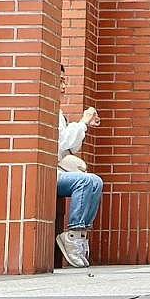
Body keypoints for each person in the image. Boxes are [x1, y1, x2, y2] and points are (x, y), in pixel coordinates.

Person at [56, 64, 104, 268]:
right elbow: (61, 142)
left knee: (95, 181)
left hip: (58, 170)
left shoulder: (58, 112)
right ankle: (73, 234)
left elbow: (70, 147)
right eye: (60, 79)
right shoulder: (45, 107)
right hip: (49, 173)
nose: (63, 85)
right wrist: (83, 122)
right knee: (85, 182)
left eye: (64, 80)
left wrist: (84, 126)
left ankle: (81, 234)